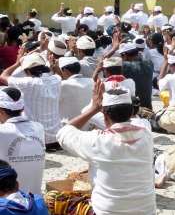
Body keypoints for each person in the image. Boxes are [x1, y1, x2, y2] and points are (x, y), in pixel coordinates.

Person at [55, 83, 156, 215]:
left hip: (105, 212)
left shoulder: (98, 140)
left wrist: (93, 108)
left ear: (105, 115)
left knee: (53, 199)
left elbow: (64, 132)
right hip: (147, 211)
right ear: (132, 112)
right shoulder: (147, 134)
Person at [0, 52, 62, 149]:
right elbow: (58, 75)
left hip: (36, 139)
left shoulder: (28, 83)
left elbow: (3, 76)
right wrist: (56, 69)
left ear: (27, 71)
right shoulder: (57, 80)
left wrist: (17, 63)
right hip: (56, 137)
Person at [0, 88, 45, 195]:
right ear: (22, 108)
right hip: (35, 198)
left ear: (1, 111)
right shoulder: (39, 127)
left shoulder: (2, 131)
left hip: (9, 203)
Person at [55, 57, 94, 127]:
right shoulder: (91, 82)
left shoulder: (64, 85)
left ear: (65, 71)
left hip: (68, 127)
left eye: (61, 71)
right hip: (87, 126)